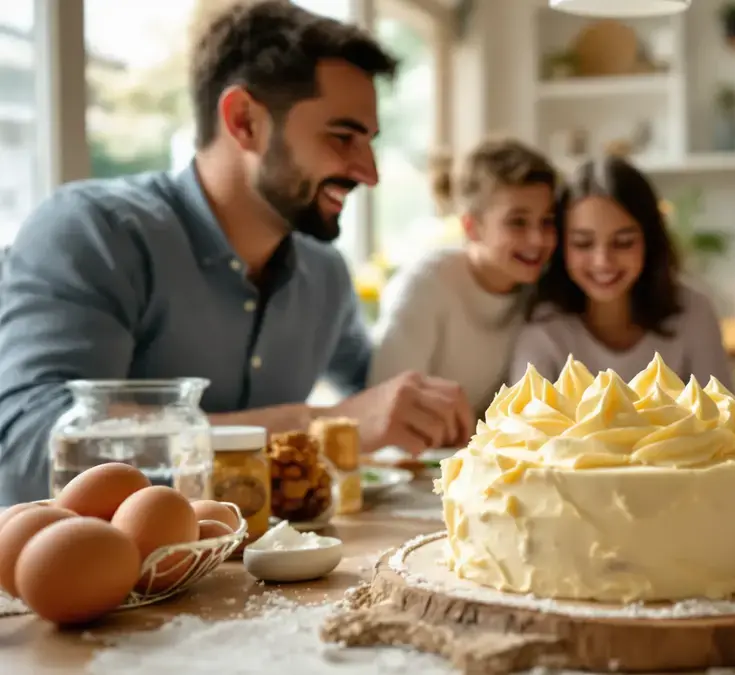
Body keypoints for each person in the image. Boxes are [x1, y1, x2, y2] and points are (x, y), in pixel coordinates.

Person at [0, 1, 471, 505]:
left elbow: (376, 394)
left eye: (369, 142)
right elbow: (26, 451)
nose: (369, 173)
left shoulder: (323, 273)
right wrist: (315, 425)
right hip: (107, 581)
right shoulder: (96, 232)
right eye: (342, 137)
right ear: (244, 121)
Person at [368, 139, 558, 418]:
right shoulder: (424, 287)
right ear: (472, 227)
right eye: (517, 222)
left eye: (547, 221)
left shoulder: (541, 291)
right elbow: (384, 407)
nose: (538, 239)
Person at [510, 156, 733, 387]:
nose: (603, 261)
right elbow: (521, 421)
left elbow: (725, 414)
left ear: (649, 241)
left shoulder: (693, 312)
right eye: (583, 243)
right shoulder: (544, 327)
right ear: (561, 247)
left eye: (623, 242)